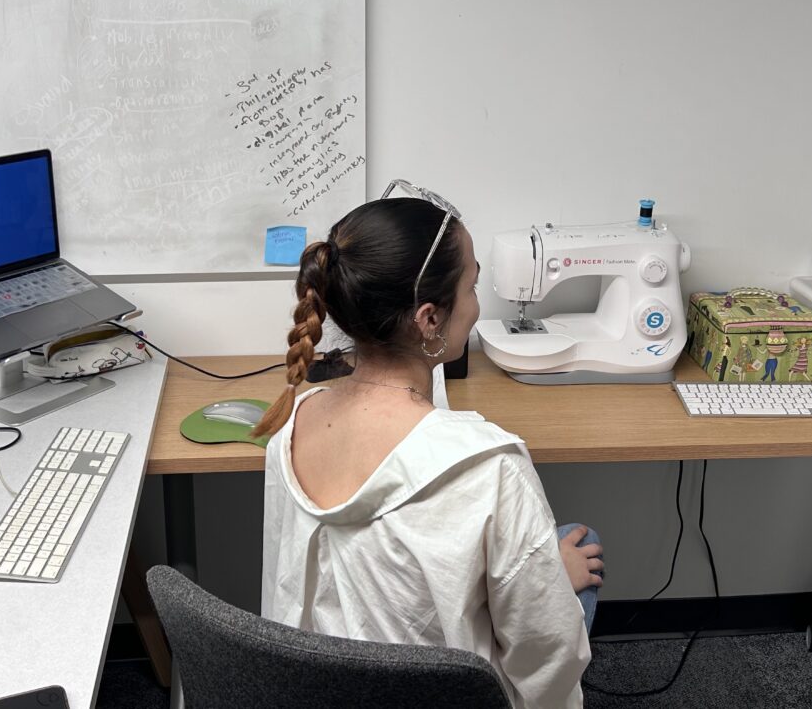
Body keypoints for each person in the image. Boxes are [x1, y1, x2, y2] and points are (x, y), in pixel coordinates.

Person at [254, 180, 600, 708]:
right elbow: (548, 659)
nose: (477, 306)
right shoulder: (491, 466)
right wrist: (550, 586)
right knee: (578, 541)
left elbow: (285, 592)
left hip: (318, 691)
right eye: (473, 287)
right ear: (430, 318)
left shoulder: (293, 425)